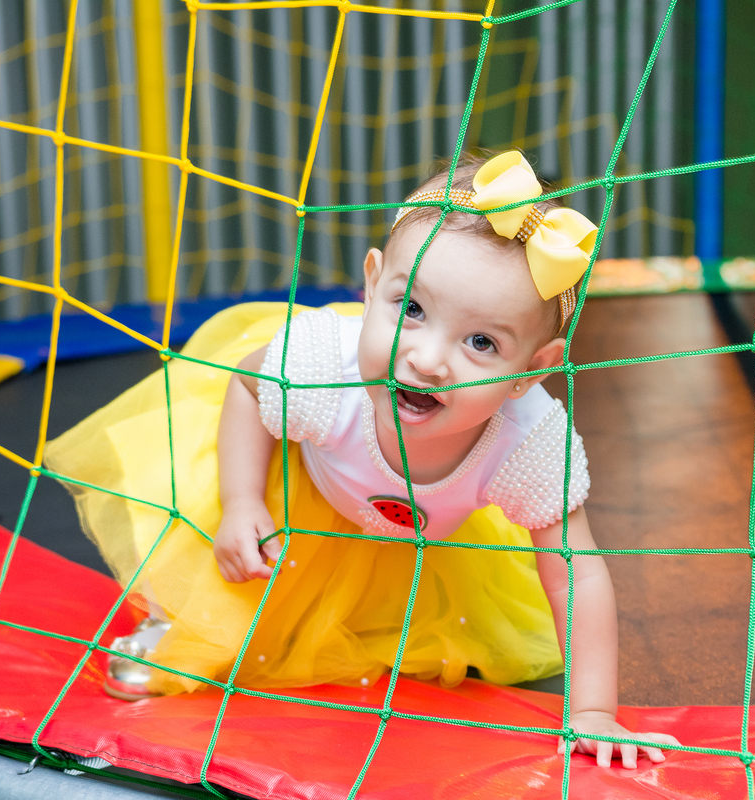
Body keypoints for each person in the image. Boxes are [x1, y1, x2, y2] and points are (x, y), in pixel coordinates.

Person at [45, 151, 679, 768]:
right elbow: (241, 381)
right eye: (411, 309)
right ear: (373, 284)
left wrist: (593, 710)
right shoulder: (323, 367)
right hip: (293, 483)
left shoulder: (530, 444)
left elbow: (576, 571)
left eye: (481, 342)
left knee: (399, 637)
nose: (428, 359)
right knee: (236, 553)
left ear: (529, 373)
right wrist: (242, 501)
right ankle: (176, 621)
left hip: (409, 534)